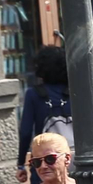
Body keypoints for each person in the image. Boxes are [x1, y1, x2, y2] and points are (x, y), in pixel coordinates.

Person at [16, 43, 71, 173]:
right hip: (71, 159)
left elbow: (25, 132)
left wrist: (21, 163)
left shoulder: (33, 94)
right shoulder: (74, 91)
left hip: (43, 160)